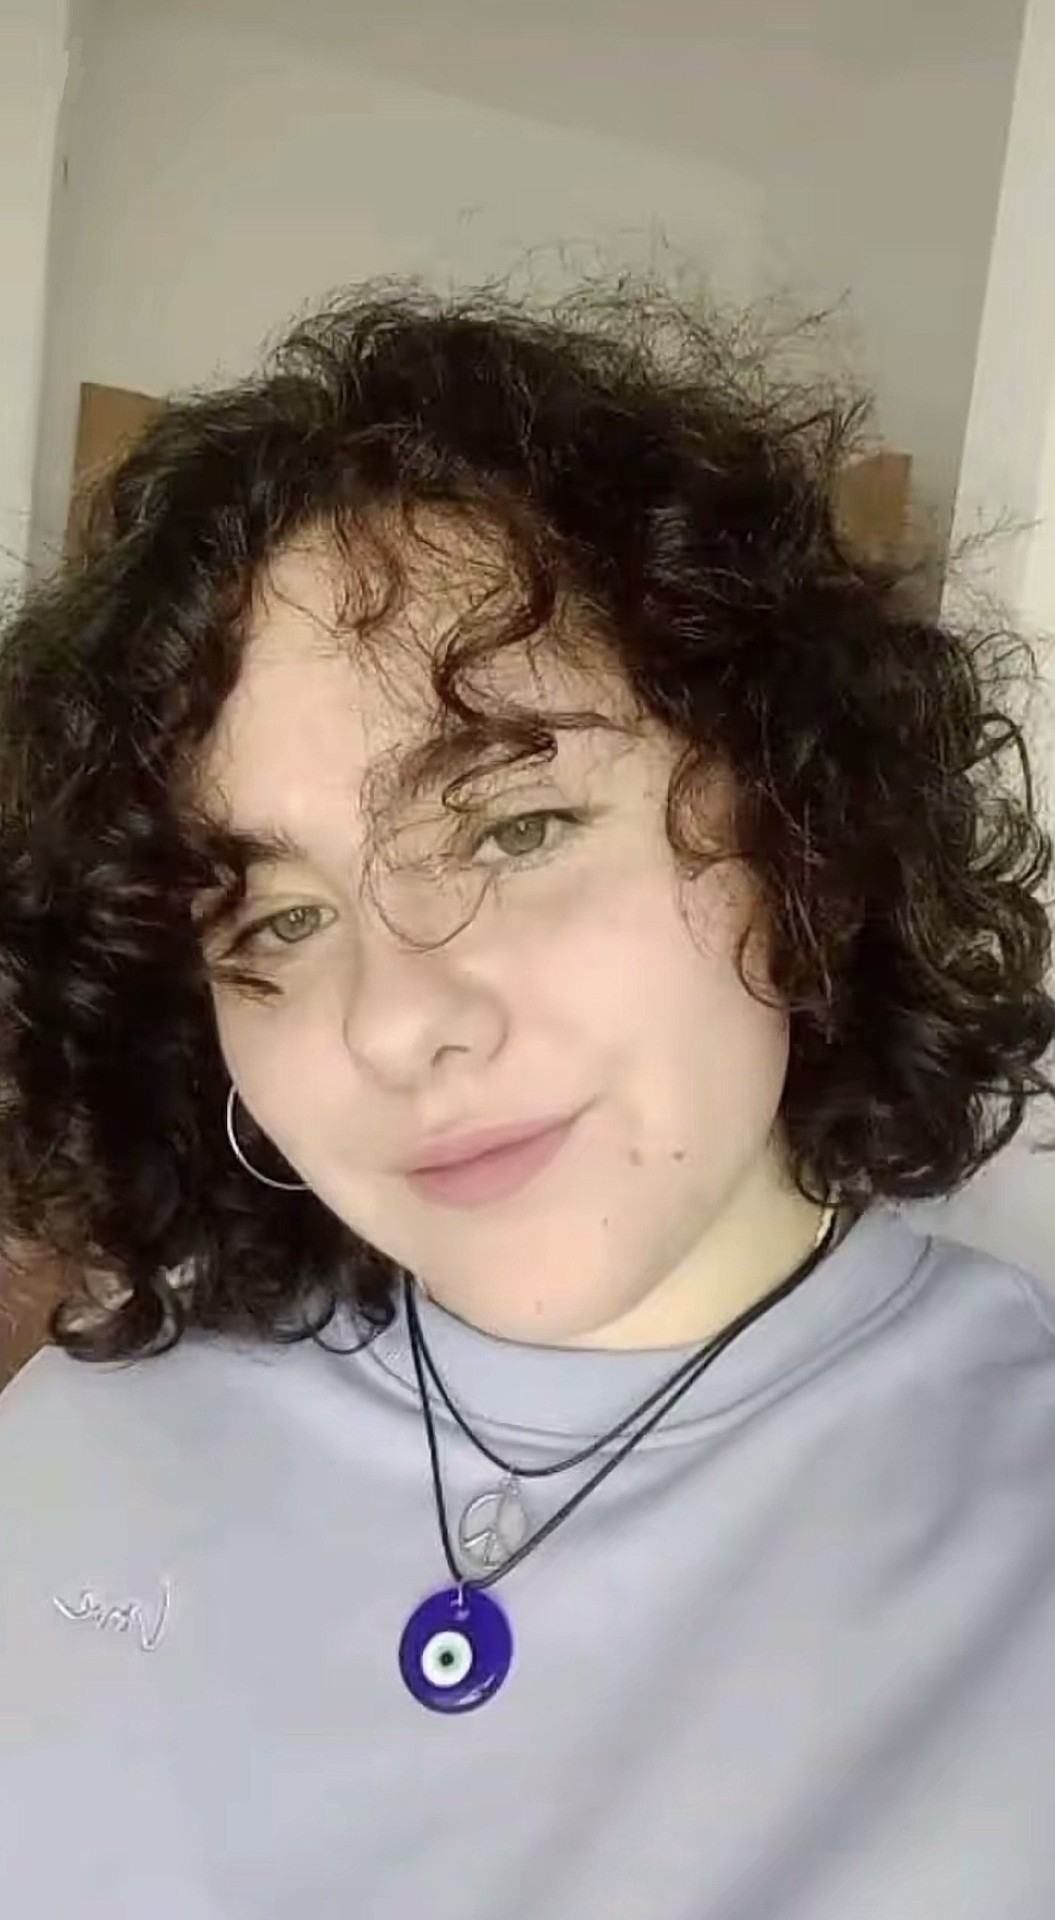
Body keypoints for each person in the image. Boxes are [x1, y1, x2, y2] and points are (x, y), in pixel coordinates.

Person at [0, 279, 1054, 1920]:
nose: (400, 1023)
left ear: (797, 825)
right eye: (278, 921)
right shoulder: (82, 1434)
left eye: (517, 828)